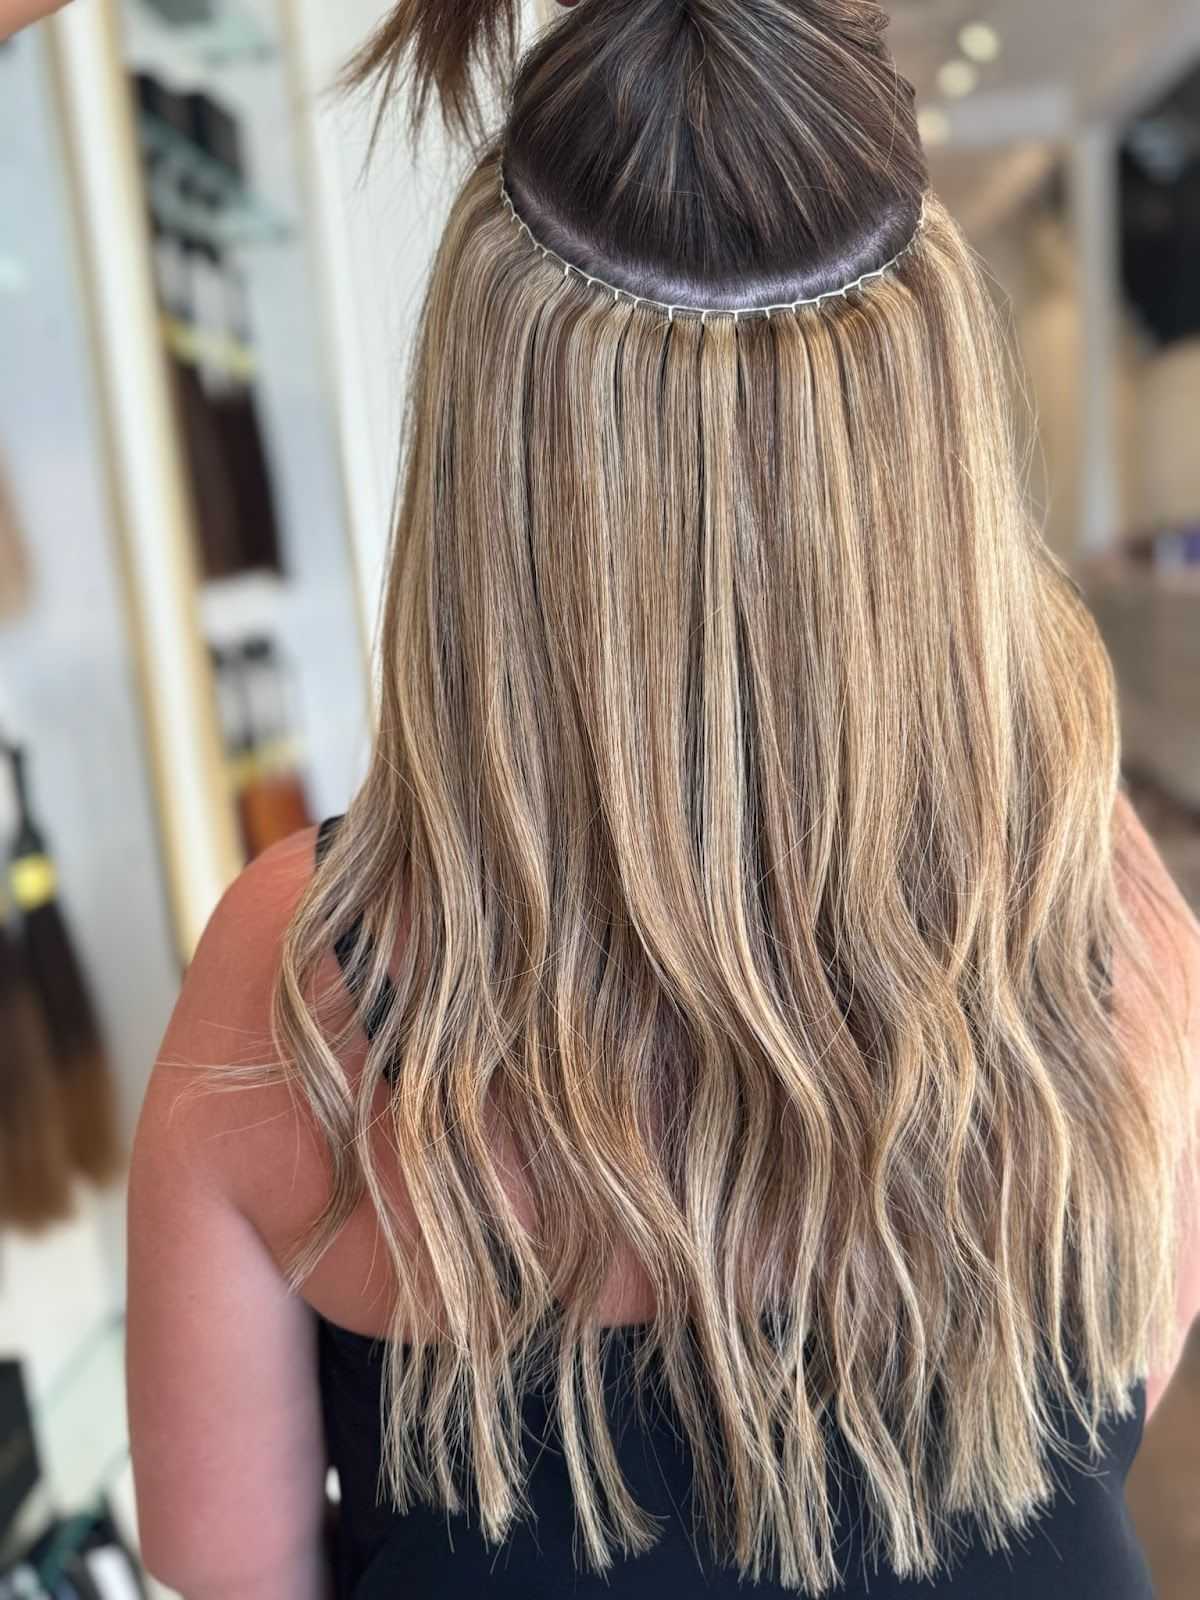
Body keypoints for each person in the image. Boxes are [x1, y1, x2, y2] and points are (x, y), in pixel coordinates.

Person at [126, 2, 1200, 1597]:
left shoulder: (300, 981)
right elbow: (1121, 1378)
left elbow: (225, 1573)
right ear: (933, 463)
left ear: (489, 458)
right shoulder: (1094, 903)